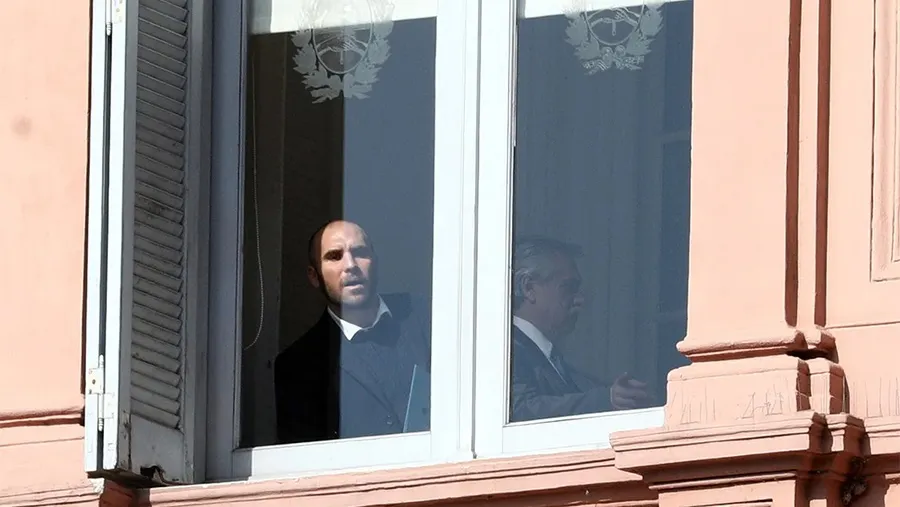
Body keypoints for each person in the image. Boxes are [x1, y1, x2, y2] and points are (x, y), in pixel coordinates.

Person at [274, 220, 431, 444]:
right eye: (334, 256)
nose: (350, 264)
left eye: (359, 252)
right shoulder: (297, 365)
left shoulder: (425, 316)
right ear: (313, 275)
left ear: (375, 262)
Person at [510, 236, 651, 422]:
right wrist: (607, 399)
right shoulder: (507, 348)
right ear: (528, 288)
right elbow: (518, 411)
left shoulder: (558, 363)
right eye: (568, 288)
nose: (579, 300)